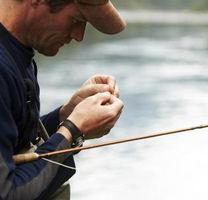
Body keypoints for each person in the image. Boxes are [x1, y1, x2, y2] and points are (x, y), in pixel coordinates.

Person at [0, 0, 126, 199]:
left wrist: (66, 115)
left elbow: (15, 141)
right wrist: (72, 129)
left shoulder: (18, 54)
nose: (78, 35)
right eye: (76, 20)